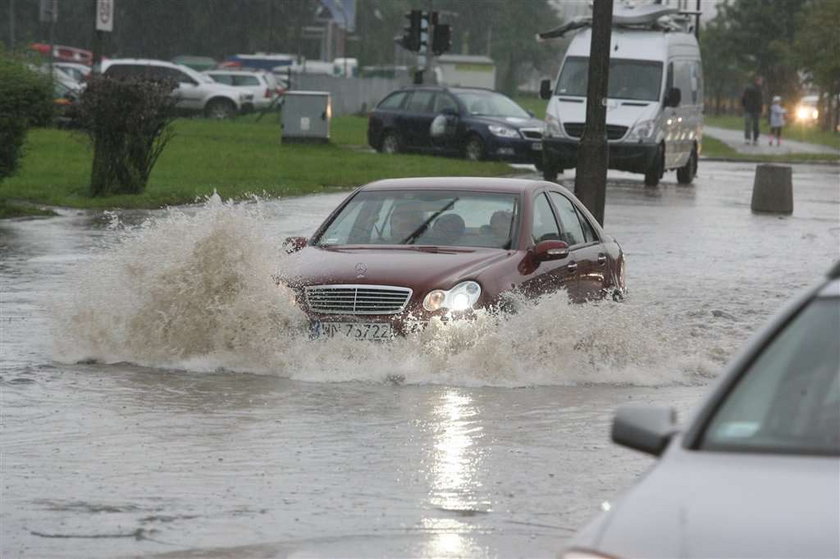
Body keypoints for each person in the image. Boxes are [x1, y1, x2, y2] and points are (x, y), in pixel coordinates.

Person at [741, 75, 764, 145]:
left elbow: (743, 98)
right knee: (754, 125)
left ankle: (749, 139)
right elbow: (760, 101)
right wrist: (760, 109)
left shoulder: (750, 88)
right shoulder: (755, 89)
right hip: (753, 109)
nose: (761, 82)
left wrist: (744, 105)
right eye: (760, 81)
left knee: (749, 124)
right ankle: (754, 139)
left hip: (750, 109)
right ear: (757, 81)